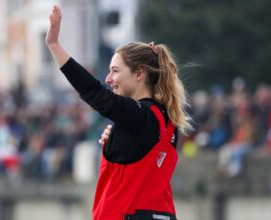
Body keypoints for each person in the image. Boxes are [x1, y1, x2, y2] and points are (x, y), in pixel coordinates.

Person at [45, 6, 192, 220]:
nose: (108, 79)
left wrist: (54, 45)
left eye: (115, 71)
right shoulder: (167, 121)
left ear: (139, 73)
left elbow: (95, 93)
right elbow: (141, 158)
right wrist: (115, 138)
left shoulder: (140, 116)